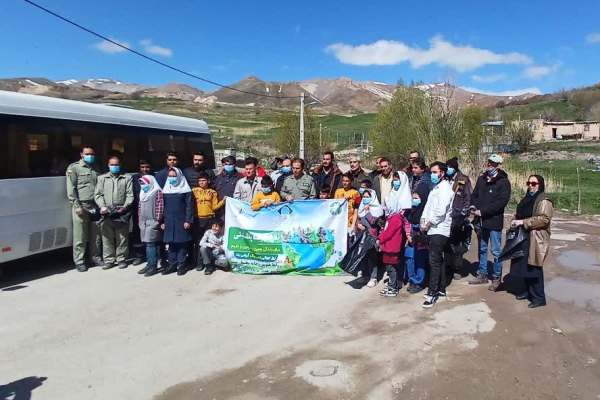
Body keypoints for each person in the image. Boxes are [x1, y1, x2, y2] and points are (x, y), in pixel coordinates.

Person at [509, 175, 553, 308]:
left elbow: (544, 219)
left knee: (534, 267)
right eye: (529, 183)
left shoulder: (544, 200)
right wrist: (514, 220)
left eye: (534, 183)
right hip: (523, 236)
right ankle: (528, 292)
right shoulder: (527, 198)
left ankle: (539, 297)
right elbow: (520, 213)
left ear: (540, 185)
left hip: (535, 237)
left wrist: (523, 222)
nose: (531, 186)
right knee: (524, 265)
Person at [469, 154, 511, 290]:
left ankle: (496, 277)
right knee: (482, 248)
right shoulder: (481, 179)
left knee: (496, 250)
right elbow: (474, 195)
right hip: (480, 221)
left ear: (499, 165)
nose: (490, 165)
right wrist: (473, 206)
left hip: (494, 221)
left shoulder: (503, 182)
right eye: (489, 162)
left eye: (493, 163)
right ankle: (482, 274)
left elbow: (501, 202)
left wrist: (483, 211)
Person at [420, 161, 455, 308]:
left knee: (434, 261)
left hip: (439, 229)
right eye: (431, 172)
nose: (433, 175)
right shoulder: (435, 188)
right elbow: (428, 206)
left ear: (442, 173)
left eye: (435, 172)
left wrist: (429, 223)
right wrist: (423, 220)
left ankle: (432, 292)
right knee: (437, 260)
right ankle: (440, 288)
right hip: (431, 228)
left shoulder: (446, 189)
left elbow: (440, 211)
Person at [94, 155, 134, 270]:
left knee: (122, 237)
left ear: (120, 165)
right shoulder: (102, 178)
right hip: (106, 211)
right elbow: (98, 194)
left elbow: (130, 195)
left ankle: (121, 259)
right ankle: (109, 260)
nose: (114, 166)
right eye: (112, 165)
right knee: (107, 237)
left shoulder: (126, 178)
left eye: (116, 164)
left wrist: (125, 207)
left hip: (122, 211)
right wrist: (102, 206)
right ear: (108, 165)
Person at [66, 145, 102, 271]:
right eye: (87, 154)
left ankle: (95, 257)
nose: (90, 156)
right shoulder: (74, 168)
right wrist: (76, 206)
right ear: (81, 154)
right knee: (80, 235)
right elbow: (71, 189)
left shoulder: (96, 168)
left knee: (95, 234)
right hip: (82, 206)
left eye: (92, 154)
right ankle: (79, 261)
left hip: (95, 205)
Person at [161, 167, 193, 275]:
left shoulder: (186, 190)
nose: (172, 178)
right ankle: (172, 264)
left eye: (174, 176)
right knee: (171, 244)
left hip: (181, 220)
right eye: (170, 176)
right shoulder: (166, 190)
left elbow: (189, 206)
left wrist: (188, 220)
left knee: (181, 244)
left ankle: (181, 265)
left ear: (179, 176)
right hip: (169, 220)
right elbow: (163, 206)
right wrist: (163, 221)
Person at [445, 157, 473, 280]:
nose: (448, 169)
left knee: (457, 244)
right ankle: (448, 266)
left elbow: (468, 197)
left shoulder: (463, 179)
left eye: (450, 167)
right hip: (447, 215)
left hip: (458, 216)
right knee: (447, 243)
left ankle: (457, 268)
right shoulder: (445, 178)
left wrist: (464, 213)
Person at [378, 197, 411, 297]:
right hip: (389, 246)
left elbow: (389, 233)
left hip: (392, 247)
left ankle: (393, 287)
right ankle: (392, 285)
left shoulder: (395, 218)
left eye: (387, 206)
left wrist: (380, 238)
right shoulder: (392, 217)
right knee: (390, 267)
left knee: (391, 268)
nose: (385, 209)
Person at [191, 172, 223, 271]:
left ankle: (209, 264)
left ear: (208, 181)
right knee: (198, 242)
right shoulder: (194, 191)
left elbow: (214, 207)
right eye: (200, 180)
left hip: (209, 219)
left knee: (210, 241)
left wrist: (223, 201)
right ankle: (199, 263)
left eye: (204, 180)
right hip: (198, 219)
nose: (201, 182)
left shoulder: (212, 192)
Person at [136, 175, 163, 277]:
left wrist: (157, 220)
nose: (143, 185)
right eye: (141, 183)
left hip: (152, 221)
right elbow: (139, 207)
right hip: (143, 222)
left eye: (145, 183)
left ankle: (152, 266)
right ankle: (149, 264)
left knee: (150, 244)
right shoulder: (143, 193)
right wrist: (140, 221)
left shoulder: (156, 192)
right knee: (149, 244)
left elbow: (159, 207)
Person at [356, 188, 384, 288]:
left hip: (372, 236)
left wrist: (368, 212)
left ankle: (373, 277)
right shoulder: (362, 207)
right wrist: (358, 225)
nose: (365, 199)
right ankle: (365, 275)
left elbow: (374, 222)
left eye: (368, 197)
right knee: (363, 256)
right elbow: (359, 219)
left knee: (372, 257)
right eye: (364, 197)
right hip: (362, 236)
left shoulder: (377, 209)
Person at [405, 189, 429, 294]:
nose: (414, 200)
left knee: (420, 261)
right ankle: (412, 279)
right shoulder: (411, 211)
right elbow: (407, 223)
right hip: (411, 239)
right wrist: (408, 235)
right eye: (413, 198)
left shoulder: (425, 211)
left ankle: (419, 282)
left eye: (416, 198)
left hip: (420, 239)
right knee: (409, 259)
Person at [129, 159, 152, 266]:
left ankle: (151, 255)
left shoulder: (153, 178)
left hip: (150, 210)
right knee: (138, 233)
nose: (145, 169)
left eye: (147, 167)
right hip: (137, 210)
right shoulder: (134, 178)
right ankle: (139, 256)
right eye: (142, 167)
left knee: (151, 232)